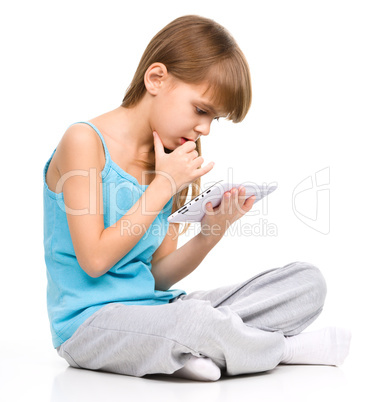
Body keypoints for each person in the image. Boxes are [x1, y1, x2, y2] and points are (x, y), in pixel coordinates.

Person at [43, 15, 351, 381]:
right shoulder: (84, 142)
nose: (204, 128)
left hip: (160, 310)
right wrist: (162, 186)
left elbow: (156, 280)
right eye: (201, 110)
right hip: (88, 325)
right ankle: (284, 350)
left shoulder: (170, 159)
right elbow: (94, 261)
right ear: (156, 78)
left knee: (306, 283)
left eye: (214, 119)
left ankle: (196, 350)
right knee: (196, 321)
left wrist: (210, 233)